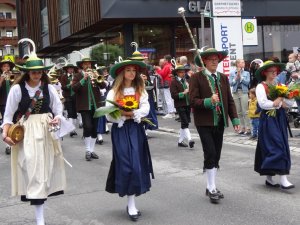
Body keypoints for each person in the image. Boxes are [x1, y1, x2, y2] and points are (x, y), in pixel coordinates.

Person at [1, 39, 66, 225]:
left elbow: (58, 110)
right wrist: (5, 135)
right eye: (34, 71)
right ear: (27, 72)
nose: (37, 74)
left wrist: (57, 118)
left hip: (46, 131)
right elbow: (7, 116)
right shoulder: (16, 89)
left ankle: (40, 218)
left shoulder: (49, 88)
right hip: (26, 131)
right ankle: (39, 217)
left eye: (40, 71)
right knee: (31, 169)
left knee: (44, 171)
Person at [105, 59, 154, 222]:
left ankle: (131, 203)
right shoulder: (114, 92)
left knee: (136, 165)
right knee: (126, 165)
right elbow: (108, 113)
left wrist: (132, 114)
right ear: (122, 73)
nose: (132, 73)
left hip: (135, 129)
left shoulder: (140, 89)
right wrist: (122, 114)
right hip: (120, 130)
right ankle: (129, 201)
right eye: (128, 70)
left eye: (134, 70)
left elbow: (145, 108)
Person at [189, 48, 240, 203]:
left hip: (220, 121)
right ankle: (212, 187)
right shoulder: (196, 78)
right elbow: (192, 100)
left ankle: (210, 185)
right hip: (204, 122)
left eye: (216, 59)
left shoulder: (223, 78)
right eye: (210, 59)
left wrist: (235, 120)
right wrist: (207, 101)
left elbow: (229, 101)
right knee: (210, 152)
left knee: (216, 154)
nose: (214, 62)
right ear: (204, 61)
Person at [254, 60, 295, 189]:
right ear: (265, 72)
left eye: (275, 71)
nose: (274, 73)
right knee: (275, 146)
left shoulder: (280, 84)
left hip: (280, 118)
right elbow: (263, 104)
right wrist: (276, 102)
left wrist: (286, 98)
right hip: (268, 119)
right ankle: (283, 178)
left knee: (281, 143)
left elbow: (289, 103)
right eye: (271, 71)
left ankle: (269, 178)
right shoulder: (261, 86)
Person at [72, 57, 107, 161]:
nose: (88, 66)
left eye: (89, 64)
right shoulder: (77, 76)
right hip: (84, 106)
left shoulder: (95, 74)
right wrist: (84, 79)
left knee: (95, 128)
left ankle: (92, 151)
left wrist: (97, 77)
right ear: (82, 66)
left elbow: (103, 86)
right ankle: (87, 150)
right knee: (88, 126)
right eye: (86, 64)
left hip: (96, 106)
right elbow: (74, 88)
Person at [170, 63, 195, 148]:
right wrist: (183, 93)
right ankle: (190, 139)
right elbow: (173, 95)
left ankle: (180, 141)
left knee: (185, 122)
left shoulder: (186, 81)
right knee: (185, 122)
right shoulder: (174, 82)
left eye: (184, 72)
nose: (183, 73)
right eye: (181, 72)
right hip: (180, 105)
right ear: (177, 73)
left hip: (187, 104)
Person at [229, 59, 251, 135]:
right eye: (242, 62)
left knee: (245, 111)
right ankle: (242, 128)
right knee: (238, 112)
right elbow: (231, 84)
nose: (243, 63)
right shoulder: (232, 73)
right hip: (235, 92)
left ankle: (248, 128)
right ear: (237, 64)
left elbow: (247, 82)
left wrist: (240, 77)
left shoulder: (247, 73)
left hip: (243, 92)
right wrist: (236, 77)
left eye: (244, 62)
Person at [0, 59, 15, 154]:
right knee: (7, 123)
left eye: (8, 66)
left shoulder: (12, 76)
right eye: (4, 66)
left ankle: (14, 140)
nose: (6, 68)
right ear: (1, 68)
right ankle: (8, 145)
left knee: (13, 122)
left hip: (13, 102)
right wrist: (2, 78)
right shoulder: (0, 76)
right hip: (3, 103)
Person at [60, 62, 78, 137]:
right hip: (68, 97)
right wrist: (69, 84)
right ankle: (71, 130)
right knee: (70, 112)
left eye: (72, 68)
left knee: (75, 113)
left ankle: (73, 129)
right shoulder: (63, 77)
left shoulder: (76, 76)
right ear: (67, 70)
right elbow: (63, 87)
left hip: (76, 96)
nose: (71, 70)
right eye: (69, 68)